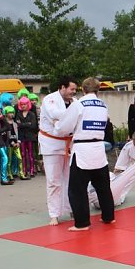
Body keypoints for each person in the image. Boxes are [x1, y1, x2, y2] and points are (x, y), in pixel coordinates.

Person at [56, 77, 114, 231]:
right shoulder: (103, 105)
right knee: (103, 186)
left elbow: (64, 128)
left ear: (83, 89)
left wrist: (57, 125)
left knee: (77, 189)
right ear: (98, 89)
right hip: (98, 147)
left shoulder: (78, 104)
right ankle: (108, 216)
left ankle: (82, 223)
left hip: (82, 149)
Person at [90, 130, 135, 208]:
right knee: (126, 182)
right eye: (134, 144)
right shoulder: (128, 146)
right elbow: (123, 157)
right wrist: (119, 168)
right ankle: (119, 198)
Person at [38, 79, 76, 225]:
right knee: (54, 181)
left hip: (69, 144)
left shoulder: (75, 102)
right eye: (72, 89)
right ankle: (54, 214)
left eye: (75, 89)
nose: (74, 92)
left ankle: (71, 208)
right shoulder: (50, 99)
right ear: (63, 87)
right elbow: (55, 114)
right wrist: (73, 114)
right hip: (51, 144)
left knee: (70, 179)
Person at [16, 96, 38, 178]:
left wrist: (22, 124)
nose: (23, 106)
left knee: (31, 154)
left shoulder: (32, 114)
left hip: (30, 136)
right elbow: (18, 124)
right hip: (22, 137)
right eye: (22, 104)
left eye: (24, 104)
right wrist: (27, 124)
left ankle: (31, 171)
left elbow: (33, 125)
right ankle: (24, 171)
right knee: (23, 154)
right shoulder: (18, 114)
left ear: (28, 104)